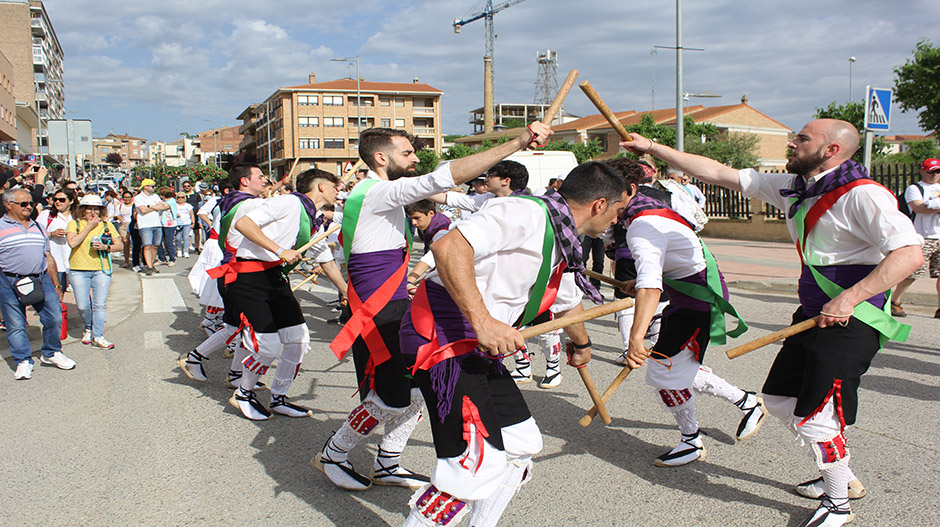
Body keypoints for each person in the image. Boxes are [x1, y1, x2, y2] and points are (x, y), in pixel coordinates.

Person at [621, 119, 924, 527]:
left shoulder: (864, 195)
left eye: (802, 139)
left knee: (817, 415)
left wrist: (850, 298)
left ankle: (838, 504)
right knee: (781, 400)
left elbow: (909, 254)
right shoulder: (794, 188)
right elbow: (717, 171)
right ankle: (843, 476)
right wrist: (653, 147)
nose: (792, 143)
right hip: (813, 316)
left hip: (853, 318)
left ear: (832, 150)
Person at [315, 123, 552, 493]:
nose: (414, 159)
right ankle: (334, 452)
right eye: (407, 153)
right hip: (378, 315)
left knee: (412, 394)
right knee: (388, 398)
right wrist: (518, 142)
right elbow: (443, 178)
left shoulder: (378, 193)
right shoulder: (378, 192)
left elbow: (449, 195)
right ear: (382, 157)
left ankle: (388, 461)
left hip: (392, 307)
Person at [398, 162, 623, 527]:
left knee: (520, 446)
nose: (616, 220)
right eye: (617, 210)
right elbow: (448, 247)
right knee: (471, 468)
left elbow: (566, 299)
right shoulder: (524, 211)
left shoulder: (563, 237)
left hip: (476, 346)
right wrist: (484, 321)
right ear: (600, 204)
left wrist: (581, 344)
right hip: (445, 337)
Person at [616, 161, 765, 468]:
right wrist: (646, 282)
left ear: (629, 190)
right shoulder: (651, 211)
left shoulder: (643, 225)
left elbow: (650, 287)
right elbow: (678, 259)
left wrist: (635, 339)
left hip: (698, 302)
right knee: (672, 370)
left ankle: (693, 440)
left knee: (664, 371)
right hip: (687, 298)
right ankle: (743, 403)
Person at [432, 161, 567, 388]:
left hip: (531, 277)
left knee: (543, 324)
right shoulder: (486, 200)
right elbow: (448, 198)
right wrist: (408, 185)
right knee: (511, 325)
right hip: (501, 278)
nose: (486, 179)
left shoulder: (534, 206)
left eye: (491, 175)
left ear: (506, 180)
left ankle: (554, 367)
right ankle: (523, 368)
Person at [222, 168, 340, 420]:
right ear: (320, 186)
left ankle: (278, 397)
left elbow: (326, 260)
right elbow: (243, 223)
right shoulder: (289, 202)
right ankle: (243, 392)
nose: (338, 191)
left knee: (299, 340)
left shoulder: (314, 218)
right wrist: (279, 249)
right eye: (334, 186)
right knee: (268, 346)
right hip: (249, 276)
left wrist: (347, 292)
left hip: (275, 277)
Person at [0, 188, 75, 380]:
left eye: (31, 203)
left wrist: (57, 285)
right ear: (8, 205)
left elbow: (48, 257)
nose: (29, 207)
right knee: (16, 324)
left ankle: (51, 353)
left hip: (40, 278)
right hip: (9, 281)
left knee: (54, 318)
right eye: (23, 204)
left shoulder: (38, 227)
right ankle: (23, 360)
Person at [66, 194, 123, 349]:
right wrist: (89, 227)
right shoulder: (74, 224)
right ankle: (88, 327)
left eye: (96, 209)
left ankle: (98, 335)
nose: (92, 212)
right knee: (83, 305)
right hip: (78, 269)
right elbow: (72, 242)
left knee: (99, 304)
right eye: (89, 209)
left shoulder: (107, 225)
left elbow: (120, 245)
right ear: (82, 210)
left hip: (101, 269)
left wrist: (106, 247)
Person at [890, 157, 940, 318]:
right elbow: (919, 208)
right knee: (914, 273)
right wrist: (932, 206)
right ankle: (894, 301)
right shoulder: (915, 188)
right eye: (931, 172)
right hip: (923, 236)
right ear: (923, 171)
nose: (934, 175)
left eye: (937, 172)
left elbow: (927, 207)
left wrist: (932, 205)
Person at [36, 188, 76, 292]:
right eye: (55, 199)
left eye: (62, 199)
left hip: (75, 262)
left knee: (82, 299)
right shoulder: (47, 215)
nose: (57, 202)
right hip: (55, 262)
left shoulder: (77, 217)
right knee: (56, 294)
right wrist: (52, 234)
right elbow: (36, 233)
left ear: (71, 201)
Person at [133, 179, 170, 275]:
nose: (154, 188)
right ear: (145, 187)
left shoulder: (155, 196)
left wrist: (149, 206)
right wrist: (155, 207)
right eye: (152, 186)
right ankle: (148, 266)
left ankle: (152, 264)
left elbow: (164, 206)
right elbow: (143, 210)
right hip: (145, 224)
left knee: (155, 246)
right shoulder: (138, 197)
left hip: (157, 223)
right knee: (147, 245)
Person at [157, 187, 178, 267]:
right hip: (160, 223)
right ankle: (162, 258)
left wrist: (150, 207)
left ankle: (172, 258)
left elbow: (163, 207)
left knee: (169, 242)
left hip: (170, 224)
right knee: (158, 241)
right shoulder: (162, 201)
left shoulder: (171, 201)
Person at [115, 191, 134, 267]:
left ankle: (138, 260)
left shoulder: (134, 205)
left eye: (129, 197)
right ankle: (126, 261)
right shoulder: (120, 206)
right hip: (123, 225)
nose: (127, 199)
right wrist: (118, 217)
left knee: (135, 243)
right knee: (126, 243)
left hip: (132, 224)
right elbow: (116, 215)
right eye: (125, 197)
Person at [175, 191, 195, 258]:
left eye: (182, 197)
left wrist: (193, 222)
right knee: (178, 238)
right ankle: (179, 250)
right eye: (178, 197)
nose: (180, 199)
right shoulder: (175, 205)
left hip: (187, 223)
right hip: (178, 224)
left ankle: (186, 251)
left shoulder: (188, 205)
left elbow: (191, 214)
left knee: (186, 238)